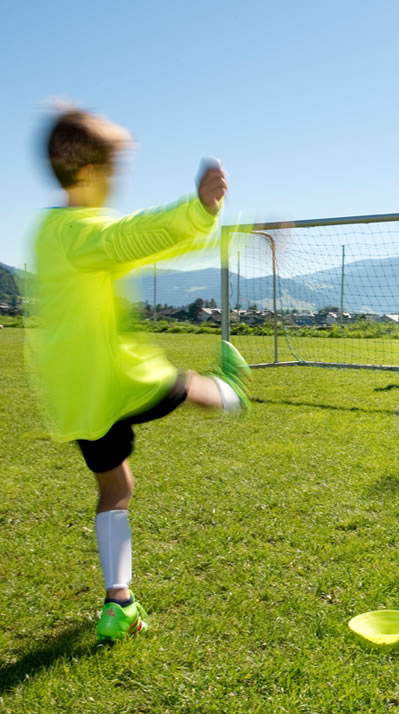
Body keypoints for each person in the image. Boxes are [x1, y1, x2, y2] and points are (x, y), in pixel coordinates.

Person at [27, 107, 251, 642]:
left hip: (74, 392)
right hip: (112, 378)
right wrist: (198, 212)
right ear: (89, 173)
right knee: (185, 386)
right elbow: (129, 237)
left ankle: (118, 603)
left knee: (116, 485)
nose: (116, 183)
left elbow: (120, 241)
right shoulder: (79, 233)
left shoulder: (49, 230)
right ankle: (230, 393)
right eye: (113, 171)